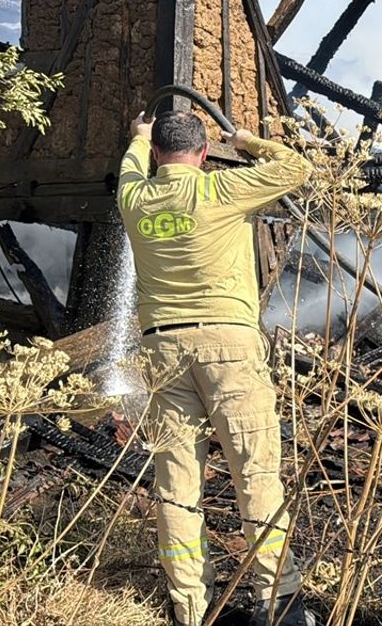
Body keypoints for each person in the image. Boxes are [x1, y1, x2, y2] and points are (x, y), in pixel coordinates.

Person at [118, 111, 314, 626]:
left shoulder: (134, 198)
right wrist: (246, 139)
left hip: (162, 350)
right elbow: (295, 167)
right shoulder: (223, 190)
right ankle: (278, 603)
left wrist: (139, 140)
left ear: (158, 153)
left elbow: (132, 164)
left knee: (176, 482)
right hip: (228, 343)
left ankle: (189, 608)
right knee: (255, 470)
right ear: (204, 154)